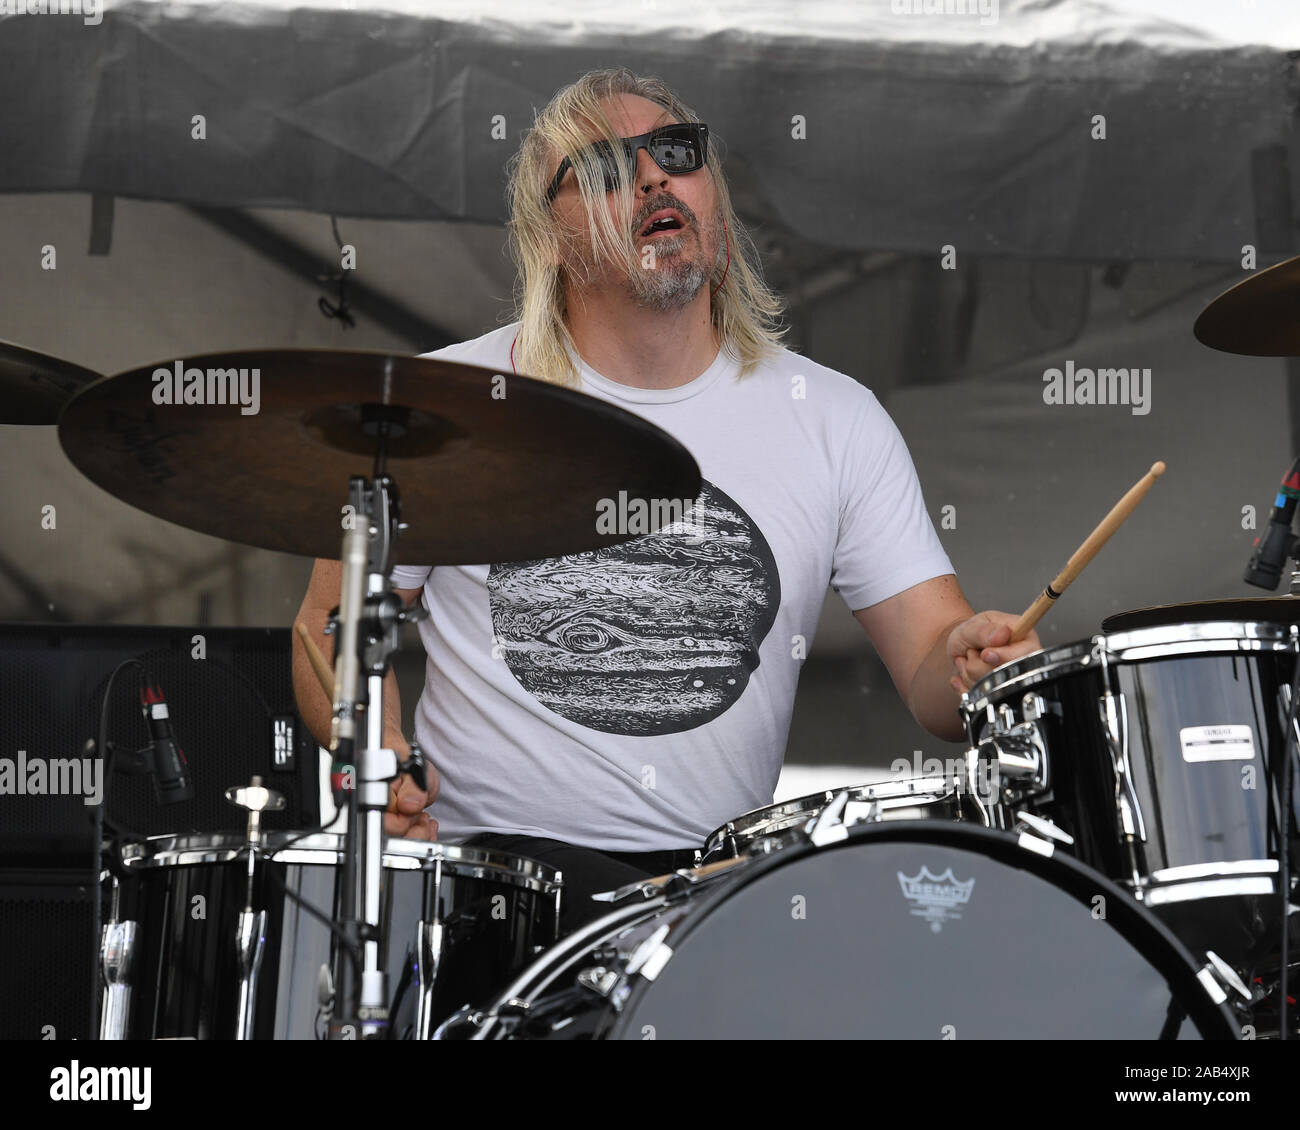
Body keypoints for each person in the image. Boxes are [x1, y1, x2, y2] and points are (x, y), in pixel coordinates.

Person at [292, 67, 1041, 935]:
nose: (652, 178)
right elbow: (329, 626)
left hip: (717, 901)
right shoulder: (444, 404)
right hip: (490, 890)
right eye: (608, 166)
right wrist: (379, 762)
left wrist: (970, 663)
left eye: (675, 153)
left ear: (711, 194)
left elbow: (930, 677)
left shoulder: (835, 420)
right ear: (549, 234)